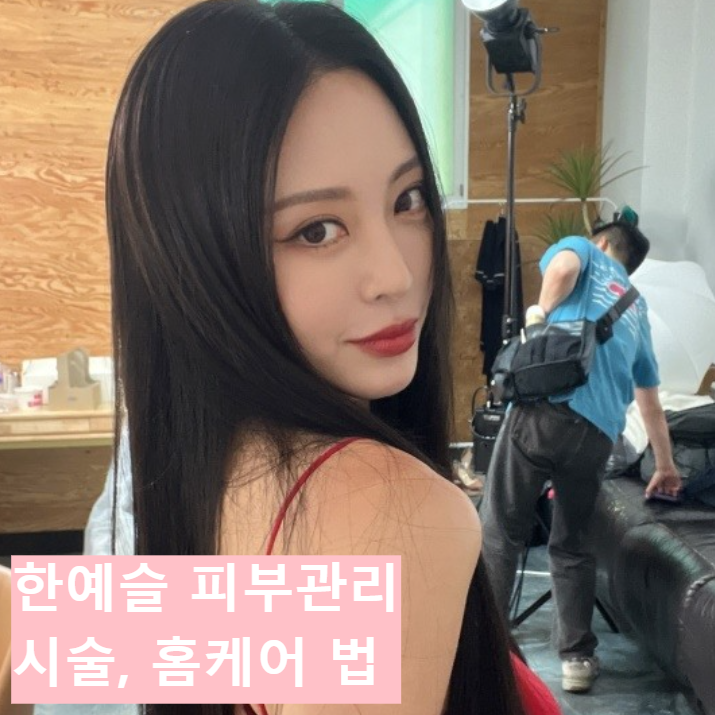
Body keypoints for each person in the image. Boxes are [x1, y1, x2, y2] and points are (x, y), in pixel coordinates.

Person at [104, 2, 563, 714]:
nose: (395, 275)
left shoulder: (200, 466)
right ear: (192, 261)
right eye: (316, 230)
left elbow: (49, 635)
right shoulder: (391, 513)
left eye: (408, 199)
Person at [479, 221, 683, 695]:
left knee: (501, 529)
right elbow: (649, 400)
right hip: (596, 436)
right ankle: (577, 659)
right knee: (572, 544)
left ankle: (486, 646)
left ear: (603, 243)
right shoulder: (637, 307)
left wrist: (538, 317)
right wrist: (666, 466)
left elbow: (562, 268)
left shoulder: (584, 252)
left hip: (543, 411)